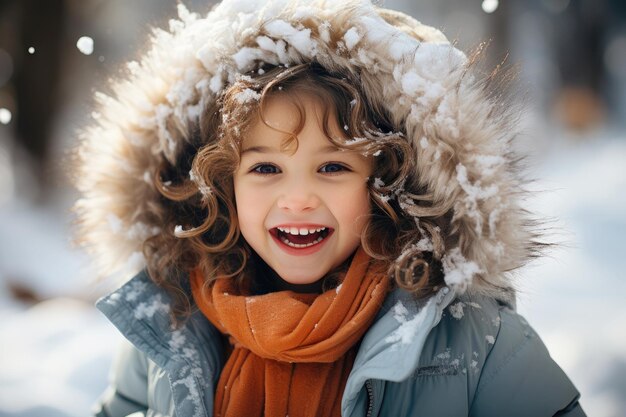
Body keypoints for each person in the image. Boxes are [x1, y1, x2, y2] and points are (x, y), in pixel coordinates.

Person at [73, 0, 585, 416]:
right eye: (266, 169)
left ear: (384, 182)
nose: (298, 199)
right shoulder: (173, 326)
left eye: (334, 168)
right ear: (223, 186)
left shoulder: (471, 339)